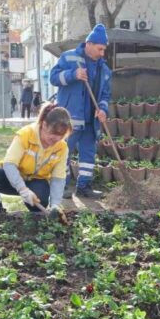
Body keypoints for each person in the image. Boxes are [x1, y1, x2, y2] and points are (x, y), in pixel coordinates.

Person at [50, 23, 111, 200]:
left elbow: (106, 95)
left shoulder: (104, 70)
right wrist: (73, 75)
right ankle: (61, 186)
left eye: (104, 50)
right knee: (64, 152)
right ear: (89, 44)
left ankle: (84, 186)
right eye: (100, 49)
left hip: (91, 121)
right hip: (69, 118)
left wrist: (103, 109)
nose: (102, 53)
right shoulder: (68, 58)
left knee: (88, 155)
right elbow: (54, 78)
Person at [0, 103, 71, 216]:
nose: (57, 138)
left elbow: (58, 178)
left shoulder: (62, 147)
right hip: (11, 179)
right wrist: (23, 189)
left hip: (35, 183)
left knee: (41, 197)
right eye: (53, 133)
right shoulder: (26, 134)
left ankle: (36, 218)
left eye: (61, 135)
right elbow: (9, 164)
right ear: (44, 125)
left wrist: (55, 205)